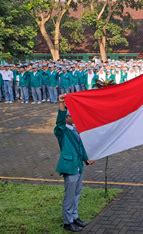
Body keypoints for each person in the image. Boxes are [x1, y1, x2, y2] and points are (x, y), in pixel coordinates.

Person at [55, 94, 95, 232]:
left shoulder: (75, 129)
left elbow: (80, 147)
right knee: (70, 195)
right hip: (70, 167)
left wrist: (86, 159)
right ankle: (67, 221)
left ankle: (74, 216)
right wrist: (61, 104)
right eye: (73, 115)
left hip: (78, 166)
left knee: (77, 193)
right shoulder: (62, 131)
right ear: (67, 117)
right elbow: (59, 122)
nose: (76, 117)